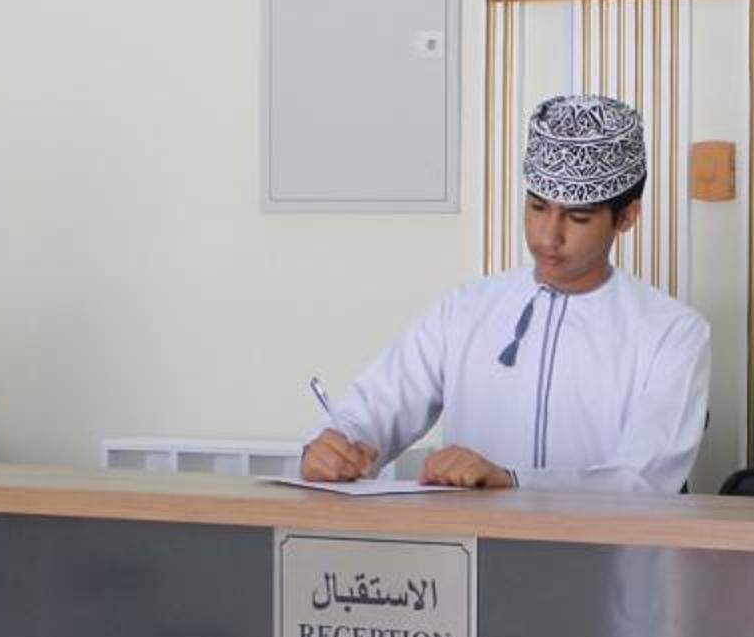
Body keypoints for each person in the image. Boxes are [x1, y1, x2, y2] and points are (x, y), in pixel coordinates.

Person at [303, 95, 710, 492]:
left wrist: (513, 481)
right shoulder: (465, 309)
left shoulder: (672, 333)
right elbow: (376, 408)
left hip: (605, 541)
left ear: (627, 217)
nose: (548, 236)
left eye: (578, 217)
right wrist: (332, 449)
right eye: (537, 208)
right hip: (471, 539)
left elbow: (645, 480)